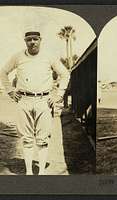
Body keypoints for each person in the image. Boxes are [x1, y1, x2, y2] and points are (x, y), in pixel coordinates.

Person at [0, 30, 70, 175]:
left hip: (44, 101)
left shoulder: (48, 56)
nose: (32, 42)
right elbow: (3, 72)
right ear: (25, 41)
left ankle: (42, 173)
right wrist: (10, 91)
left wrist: (59, 94)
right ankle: (29, 172)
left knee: (43, 139)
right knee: (26, 139)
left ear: (40, 40)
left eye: (35, 39)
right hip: (23, 100)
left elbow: (65, 74)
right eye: (29, 39)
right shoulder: (18, 56)